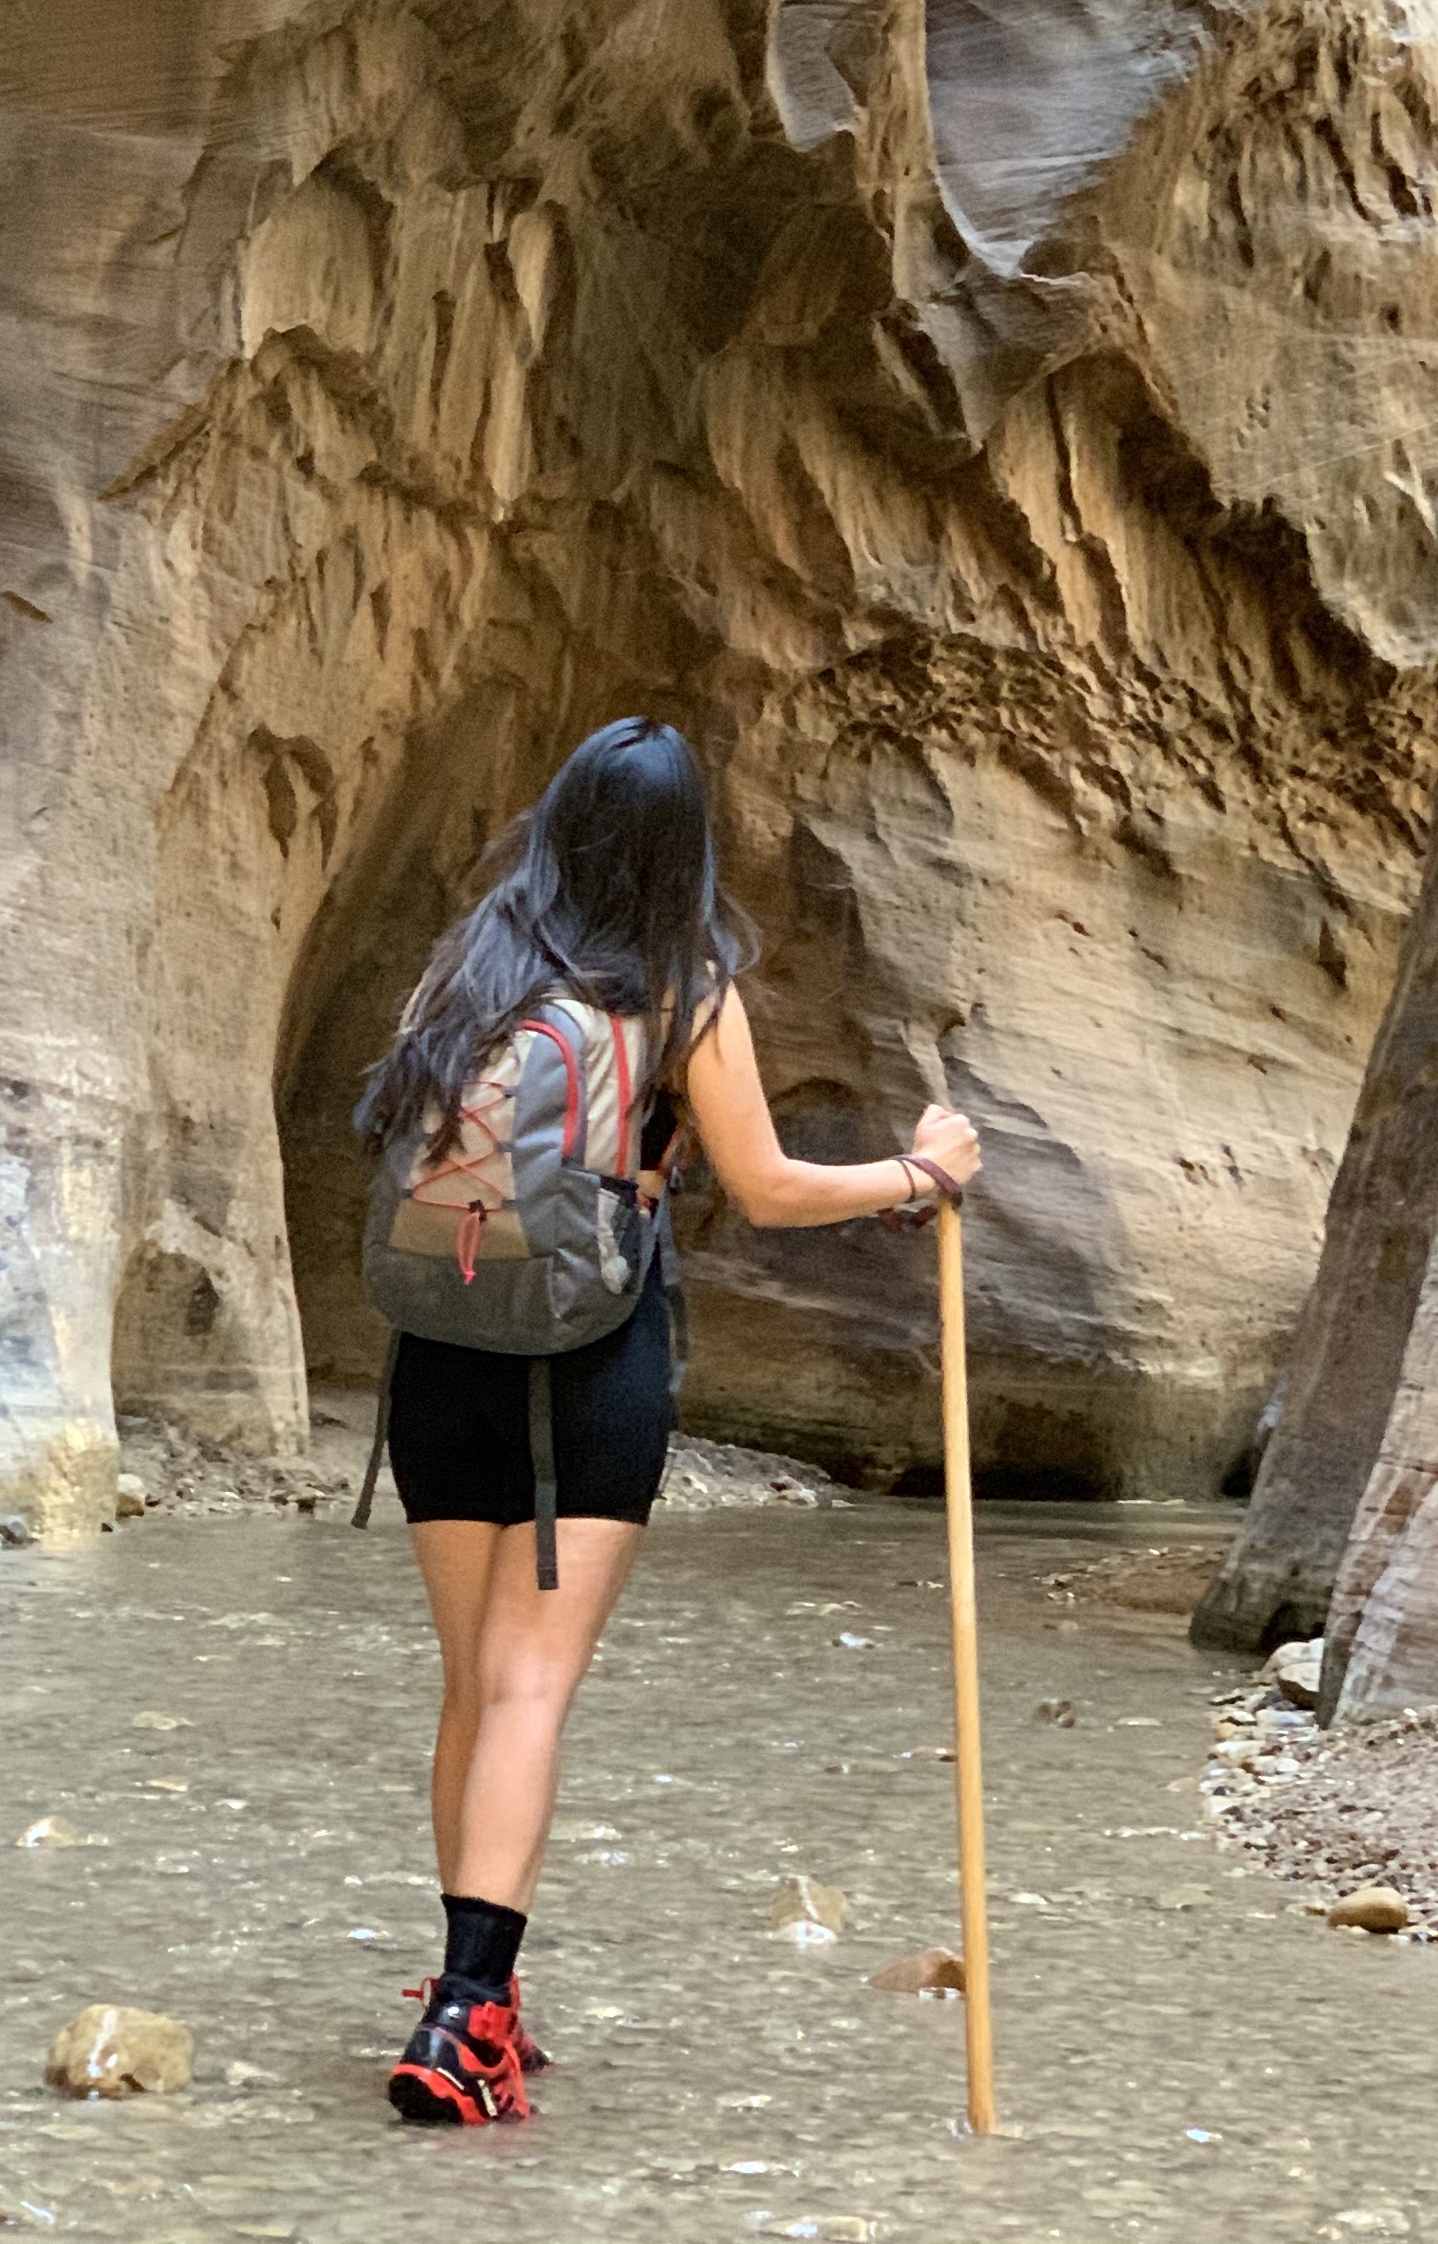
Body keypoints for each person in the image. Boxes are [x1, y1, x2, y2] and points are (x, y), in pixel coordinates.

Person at [352, 715, 983, 2127]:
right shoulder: (685, 996)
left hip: (441, 1355)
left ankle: (466, 1989)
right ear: (690, 851)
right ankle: (469, 2020)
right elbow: (763, 1189)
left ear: (558, 824)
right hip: (591, 1361)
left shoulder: (466, 971)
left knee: (473, 1683)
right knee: (532, 1688)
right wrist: (920, 1175)